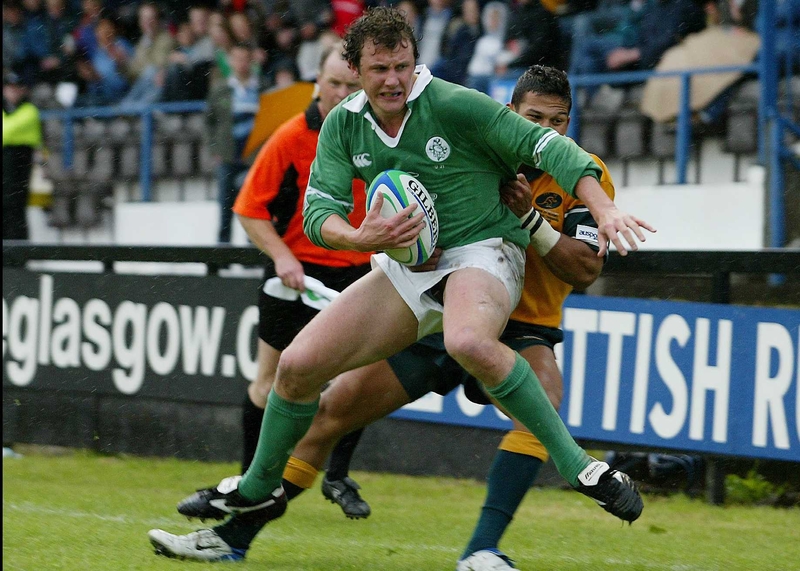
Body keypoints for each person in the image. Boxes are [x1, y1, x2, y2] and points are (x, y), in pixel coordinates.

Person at [148, 7, 653, 563]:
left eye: (403, 66)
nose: (393, 79)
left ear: (417, 64)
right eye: (380, 68)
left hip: (484, 262)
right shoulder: (346, 123)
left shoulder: (460, 106)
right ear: (357, 70)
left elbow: (561, 169)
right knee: (298, 370)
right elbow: (320, 215)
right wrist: (365, 235)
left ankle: (571, 475)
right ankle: (250, 498)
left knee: (474, 343)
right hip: (408, 269)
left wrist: (604, 210)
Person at [230, 42, 373, 518]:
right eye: (334, 83)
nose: (342, 93)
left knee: (354, 385)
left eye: (352, 86)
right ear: (316, 83)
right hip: (296, 275)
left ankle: (336, 475)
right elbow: (249, 210)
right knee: (269, 382)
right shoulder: (290, 136)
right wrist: (282, 257)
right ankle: (251, 481)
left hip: (358, 272)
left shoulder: (380, 135)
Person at [205, 43, 269, 243]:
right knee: (225, 204)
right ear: (230, 61)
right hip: (228, 154)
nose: (241, 64)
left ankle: (253, 247)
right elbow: (209, 121)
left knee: (254, 204)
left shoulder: (262, 88)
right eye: (237, 59)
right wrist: (214, 148)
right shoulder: (221, 89)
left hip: (254, 155)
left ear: (251, 61)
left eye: (244, 59)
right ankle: (223, 247)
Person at [3, 71, 42, 240]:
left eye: (16, 88)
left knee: (15, 207)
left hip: (18, 161)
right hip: (8, 161)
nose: (13, 92)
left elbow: (6, 131)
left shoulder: (30, 110)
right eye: (9, 88)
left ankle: (18, 254)